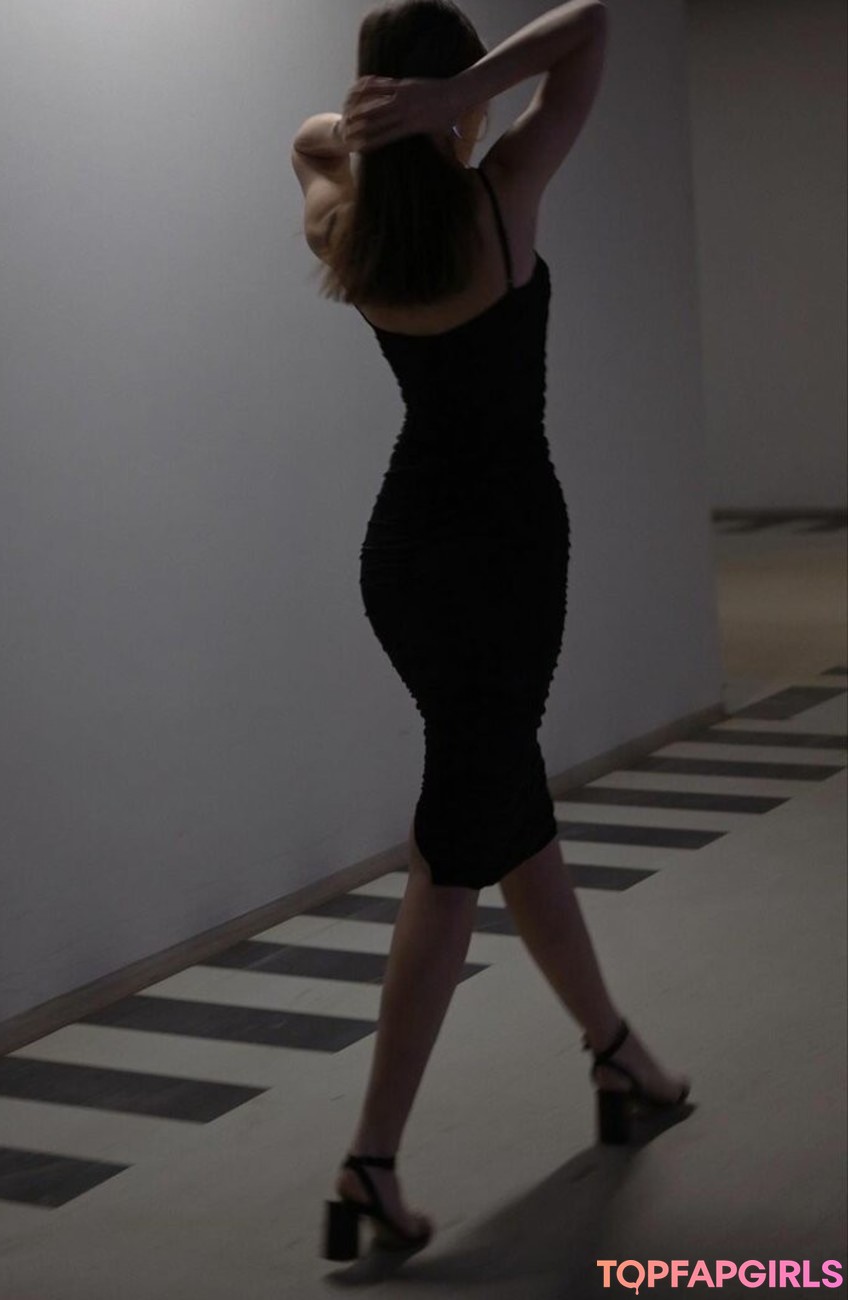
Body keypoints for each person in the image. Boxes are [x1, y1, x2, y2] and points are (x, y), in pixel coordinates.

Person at [291, 0, 691, 1263]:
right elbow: (589, 25)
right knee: (455, 851)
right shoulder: (506, 198)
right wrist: (461, 100)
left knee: (506, 802)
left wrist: (392, 122)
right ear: (453, 92)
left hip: (405, 558)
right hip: (509, 558)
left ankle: (619, 1053)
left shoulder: (343, 217)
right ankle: (370, 1162)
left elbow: (310, 135)